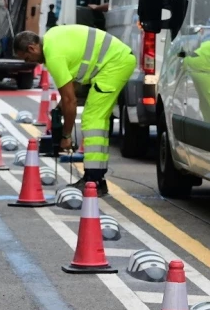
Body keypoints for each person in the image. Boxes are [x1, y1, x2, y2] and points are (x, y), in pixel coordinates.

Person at [14, 25, 136, 196]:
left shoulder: (53, 55)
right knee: (95, 118)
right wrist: (62, 107)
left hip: (115, 64)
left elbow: (70, 100)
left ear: (32, 47)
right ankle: (97, 180)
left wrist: (66, 136)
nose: (30, 62)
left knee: (93, 119)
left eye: (27, 58)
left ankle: (93, 180)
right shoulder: (51, 39)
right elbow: (74, 85)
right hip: (115, 61)